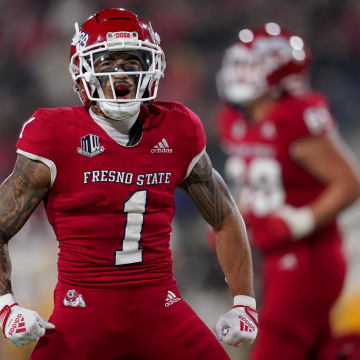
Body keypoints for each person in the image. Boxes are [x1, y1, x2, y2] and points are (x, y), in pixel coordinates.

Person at [0, 8, 258, 360]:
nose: (121, 72)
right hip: (82, 314)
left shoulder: (177, 129)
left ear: (152, 65)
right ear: (83, 71)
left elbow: (225, 215)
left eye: (132, 60)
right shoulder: (53, 134)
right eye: (108, 62)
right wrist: (6, 307)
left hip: (162, 308)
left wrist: (244, 302)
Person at [215, 22, 360, 360]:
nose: (239, 73)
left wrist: (299, 221)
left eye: (248, 65)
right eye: (237, 65)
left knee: (277, 346)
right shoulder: (235, 118)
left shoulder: (296, 114)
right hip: (274, 256)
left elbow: (349, 182)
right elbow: (255, 184)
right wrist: (233, 223)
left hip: (309, 256)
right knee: (321, 349)